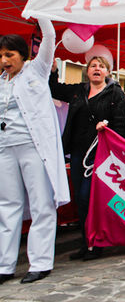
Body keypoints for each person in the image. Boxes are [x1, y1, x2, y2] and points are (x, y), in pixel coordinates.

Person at [0, 19, 69, 284]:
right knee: (7, 206)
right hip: (5, 148)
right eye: (1, 56)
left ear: (22, 55)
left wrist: (39, 11)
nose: (5, 60)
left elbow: (50, 36)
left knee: (41, 203)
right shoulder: (1, 82)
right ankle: (5, 265)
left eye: (10, 54)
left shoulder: (36, 70)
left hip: (33, 147)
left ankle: (40, 263)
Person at [49, 55, 125, 262]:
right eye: (93, 66)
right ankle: (86, 243)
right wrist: (53, 70)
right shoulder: (78, 91)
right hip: (76, 153)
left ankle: (96, 242)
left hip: (99, 154)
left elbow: (121, 125)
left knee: (88, 197)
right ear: (87, 71)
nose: (97, 69)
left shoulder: (115, 94)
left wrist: (108, 130)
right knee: (80, 201)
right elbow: (53, 89)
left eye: (101, 66)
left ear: (107, 72)